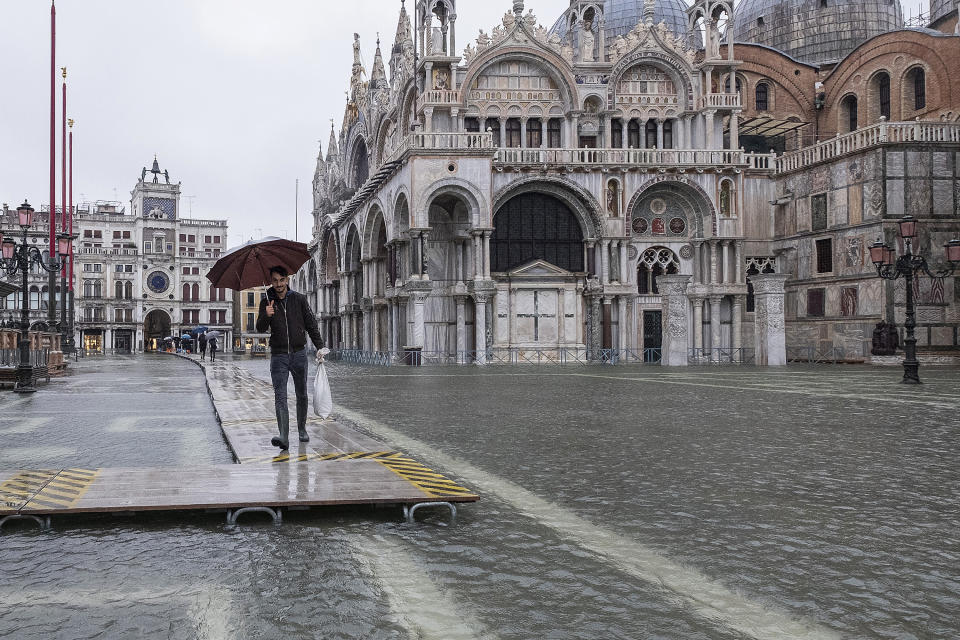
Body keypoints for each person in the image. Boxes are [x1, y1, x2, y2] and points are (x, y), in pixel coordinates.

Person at [256, 265, 325, 450]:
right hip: (278, 356)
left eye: (281, 280)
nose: (278, 284)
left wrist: (320, 347)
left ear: (287, 280)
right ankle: (284, 436)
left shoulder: (300, 300)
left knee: (302, 393)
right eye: (275, 281)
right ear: (271, 281)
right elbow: (260, 328)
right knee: (280, 396)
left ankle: (302, 429)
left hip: (299, 353)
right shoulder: (266, 302)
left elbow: (311, 324)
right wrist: (266, 315)